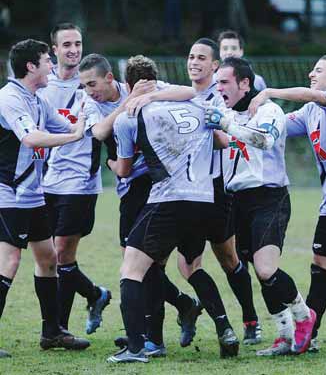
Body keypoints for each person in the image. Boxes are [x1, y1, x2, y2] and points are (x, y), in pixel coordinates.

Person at [105, 55, 239, 364]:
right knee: (191, 267)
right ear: (157, 79)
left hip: (168, 199)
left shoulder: (128, 117)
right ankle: (224, 328)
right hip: (205, 200)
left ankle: (138, 347)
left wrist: (111, 162)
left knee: (132, 269)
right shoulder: (196, 104)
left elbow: (124, 169)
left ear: (127, 85)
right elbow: (220, 140)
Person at [79, 53, 203, 353]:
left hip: (155, 184)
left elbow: (189, 92)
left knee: (146, 263)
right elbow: (98, 132)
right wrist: (129, 103)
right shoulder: (93, 104)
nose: (88, 91)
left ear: (110, 78)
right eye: (83, 86)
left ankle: (152, 337)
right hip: (129, 189)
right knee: (138, 263)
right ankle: (180, 307)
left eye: (92, 84)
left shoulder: (140, 86)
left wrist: (152, 95)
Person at [248, 54, 326, 352]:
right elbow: (278, 126)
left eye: (319, 70)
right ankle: (309, 337)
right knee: (320, 270)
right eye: (312, 70)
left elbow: (311, 94)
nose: (312, 74)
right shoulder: (309, 112)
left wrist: (269, 92)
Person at [205, 56, 316, 356]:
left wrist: (225, 124)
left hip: (269, 197)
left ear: (245, 83)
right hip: (238, 200)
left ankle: (304, 316)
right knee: (256, 268)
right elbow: (223, 143)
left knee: (267, 269)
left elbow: (265, 141)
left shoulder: (268, 109)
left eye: (224, 82)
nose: (219, 88)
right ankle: (283, 334)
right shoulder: (225, 111)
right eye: (217, 84)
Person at [0, 39, 89, 358]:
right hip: (8, 194)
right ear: (30, 67)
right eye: (46, 60)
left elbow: (70, 127)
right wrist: (73, 135)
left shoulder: (36, 98)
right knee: (9, 261)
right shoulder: (10, 98)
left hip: (31, 196)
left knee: (48, 259)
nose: (52, 64)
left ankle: (51, 333)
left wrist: (92, 111)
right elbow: (31, 137)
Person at [184, 37, 262, 345]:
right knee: (188, 264)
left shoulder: (221, 98)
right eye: (191, 56)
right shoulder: (181, 96)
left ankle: (250, 318)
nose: (194, 62)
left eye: (202, 57)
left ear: (215, 66)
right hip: (186, 191)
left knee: (228, 258)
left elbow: (227, 138)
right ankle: (220, 325)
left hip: (216, 189)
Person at [39, 23, 110, 338]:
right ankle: (95, 294)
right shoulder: (42, 85)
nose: (73, 50)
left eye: (78, 43)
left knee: (61, 252)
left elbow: (117, 105)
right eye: (66, 44)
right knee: (52, 257)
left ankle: (59, 328)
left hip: (80, 181)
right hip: (44, 180)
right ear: (53, 49)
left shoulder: (93, 83)